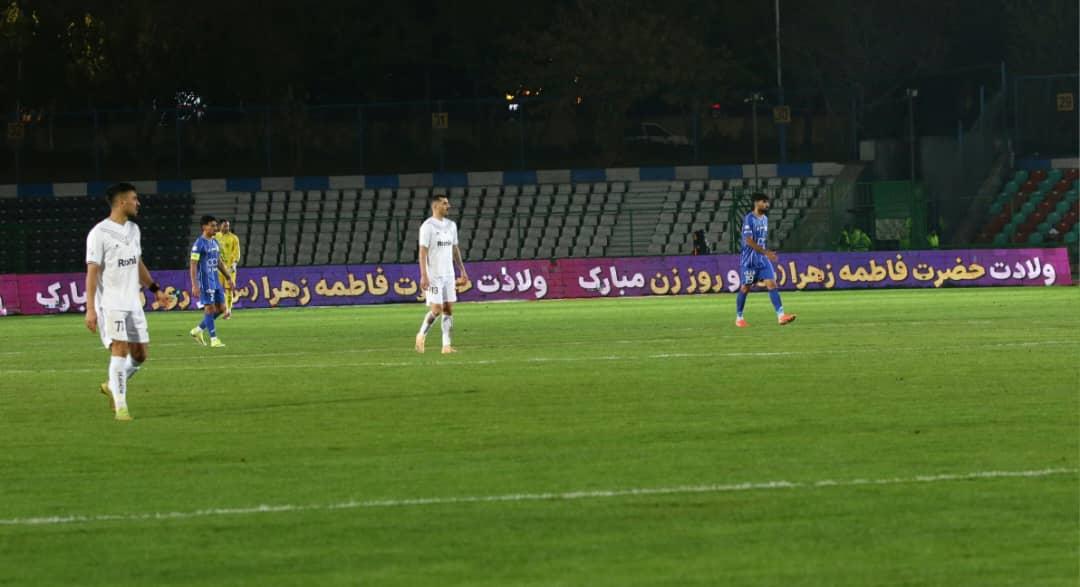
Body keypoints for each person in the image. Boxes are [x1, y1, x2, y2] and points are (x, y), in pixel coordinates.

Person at [85, 182, 172, 421]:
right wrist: (90, 308)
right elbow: (91, 273)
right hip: (110, 302)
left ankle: (112, 385)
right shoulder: (99, 233)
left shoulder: (134, 230)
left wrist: (155, 289)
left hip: (133, 301)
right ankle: (121, 407)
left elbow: (137, 263)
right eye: (134, 198)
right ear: (122, 202)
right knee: (120, 349)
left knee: (140, 354)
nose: (138, 203)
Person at [415, 194, 468, 354]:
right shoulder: (427, 226)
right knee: (437, 309)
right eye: (445, 203)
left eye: (447, 203)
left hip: (449, 275)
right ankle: (421, 335)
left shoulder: (451, 225)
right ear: (435, 206)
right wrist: (424, 275)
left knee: (448, 309)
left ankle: (446, 345)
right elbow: (422, 252)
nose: (448, 206)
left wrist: (462, 270)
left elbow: (455, 249)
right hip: (434, 276)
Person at [735, 193, 797, 328]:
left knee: (772, 284)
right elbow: (748, 240)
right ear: (756, 203)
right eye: (764, 202)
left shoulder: (765, 219)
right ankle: (739, 318)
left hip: (762, 260)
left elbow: (760, 240)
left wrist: (765, 253)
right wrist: (766, 252)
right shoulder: (749, 219)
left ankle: (781, 316)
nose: (767, 204)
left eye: (767, 202)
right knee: (745, 288)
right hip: (749, 261)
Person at [189, 215, 234, 348]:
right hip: (205, 281)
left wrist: (228, 277)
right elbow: (193, 265)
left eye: (216, 225)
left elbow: (218, 262)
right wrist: (194, 285)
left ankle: (198, 330)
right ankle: (214, 339)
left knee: (221, 308)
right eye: (212, 226)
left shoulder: (215, 242)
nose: (216, 228)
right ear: (204, 227)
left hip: (215, 280)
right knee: (209, 308)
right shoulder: (198, 244)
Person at [215, 218, 241, 319]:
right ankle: (220, 308)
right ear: (220, 226)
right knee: (217, 289)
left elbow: (237, 252)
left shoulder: (234, 238)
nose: (227, 227)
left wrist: (234, 264)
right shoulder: (215, 236)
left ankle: (228, 310)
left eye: (228, 226)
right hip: (218, 268)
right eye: (225, 226)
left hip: (229, 269)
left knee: (229, 289)